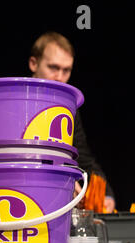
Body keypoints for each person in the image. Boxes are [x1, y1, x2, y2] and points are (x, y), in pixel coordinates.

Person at [28, 31, 116, 213]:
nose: (60, 76)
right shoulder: (14, 98)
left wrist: (106, 194)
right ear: (33, 63)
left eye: (66, 70)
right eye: (53, 67)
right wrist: (62, 178)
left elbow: (83, 157)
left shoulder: (69, 109)